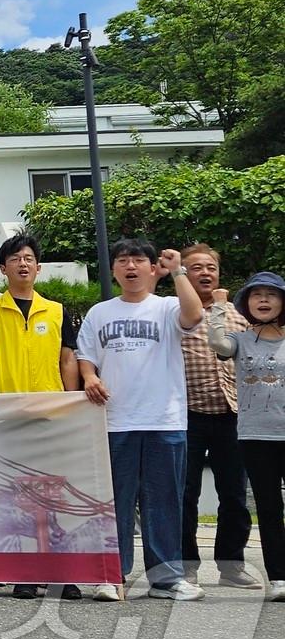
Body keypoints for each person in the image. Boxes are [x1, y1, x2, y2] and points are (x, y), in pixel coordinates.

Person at [0, 233, 82, 600]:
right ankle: (25, 573)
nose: (23, 264)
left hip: (50, 413)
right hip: (6, 414)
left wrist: (71, 403)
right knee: (16, 495)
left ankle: (63, 574)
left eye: (28, 258)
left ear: (38, 267)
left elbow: (67, 359)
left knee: (54, 495)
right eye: (15, 259)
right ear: (5, 268)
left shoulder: (56, 311)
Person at [76, 239, 205, 602]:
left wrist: (178, 270)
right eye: (123, 260)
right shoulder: (99, 312)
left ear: (152, 269)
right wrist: (89, 377)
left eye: (138, 260)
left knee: (163, 500)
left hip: (164, 419)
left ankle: (166, 579)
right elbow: (86, 355)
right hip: (115, 420)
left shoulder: (166, 307)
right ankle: (111, 575)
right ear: (114, 270)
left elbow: (194, 316)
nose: (130, 267)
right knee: (114, 502)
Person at [179, 244, 259, 589]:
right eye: (196, 268)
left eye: (210, 267)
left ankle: (231, 566)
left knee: (234, 495)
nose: (205, 273)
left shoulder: (240, 315)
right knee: (185, 494)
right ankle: (185, 566)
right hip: (186, 414)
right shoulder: (174, 312)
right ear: (183, 274)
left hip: (233, 414)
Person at [209, 273, 285, 602]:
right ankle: (280, 577)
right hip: (255, 437)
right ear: (248, 304)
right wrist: (217, 307)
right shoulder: (240, 340)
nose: (264, 300)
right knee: (269, 509)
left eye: (271, 294)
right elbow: (217, 344)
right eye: (257, 296)